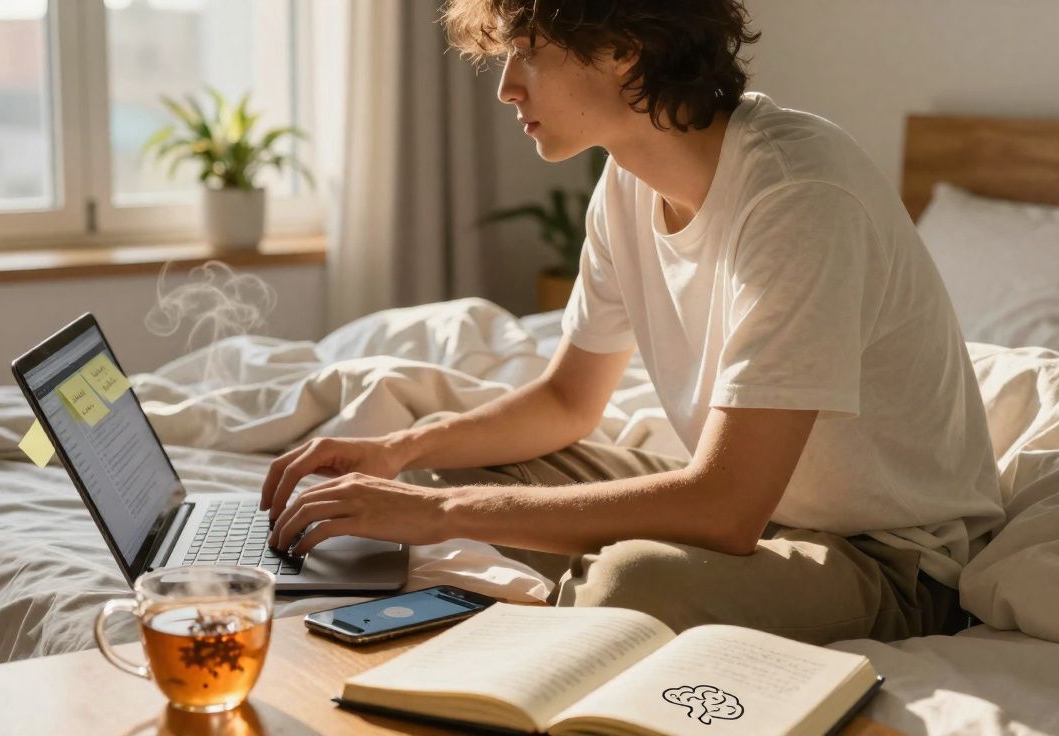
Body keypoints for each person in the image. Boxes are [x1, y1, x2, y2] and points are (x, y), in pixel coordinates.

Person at [260, 0, 1004, 644]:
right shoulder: (626, 180)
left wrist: (441, 514)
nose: (507, 89)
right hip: (749, 506)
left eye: (526, 54)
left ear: (623, 48)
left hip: (882, 555)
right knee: (444, 471)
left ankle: (490, 655)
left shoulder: (798, 196)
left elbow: (725, 508)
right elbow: (566, 402)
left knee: (630, 583)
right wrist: (394, 453)